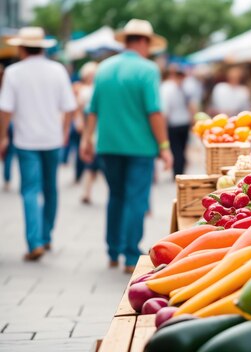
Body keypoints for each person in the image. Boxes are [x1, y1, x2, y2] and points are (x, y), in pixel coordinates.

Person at [80, 19, 172, 273]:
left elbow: (92, 109)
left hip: (108, 145)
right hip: (140, 148)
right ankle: (131, 255)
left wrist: (86, 139)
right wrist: (164, 146)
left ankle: (112, 251)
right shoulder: (148, 69)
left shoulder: (104, 68)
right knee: (136, 200)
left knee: (116, 196)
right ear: (143, 42)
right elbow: (154, 111)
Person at [0, 27, 77, 261]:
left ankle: (34, 242)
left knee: (30, 191)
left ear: (22, 47)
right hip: (52, 138)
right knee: (50, 189)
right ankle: (46, 236)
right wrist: (64, 132)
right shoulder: (57, 70)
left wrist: (2, 135)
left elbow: (5, 109)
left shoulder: (13, 72)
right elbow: (69, 108)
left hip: (25, 140)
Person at [161, 64, 192, 178]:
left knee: (179, 149)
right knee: (179, 149)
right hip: (177, 123)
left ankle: (178, 172)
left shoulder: (178, 87)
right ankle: (179, 171)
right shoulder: (170, 88)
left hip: (179, 123)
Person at [75, 62, 100, 204]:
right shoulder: (84, 90)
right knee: (91, 164)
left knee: (94, 164)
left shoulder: (96, 89)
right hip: (90, 129)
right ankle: (86, 192)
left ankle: (87, 192)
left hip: (97, 130)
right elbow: (80, 110)